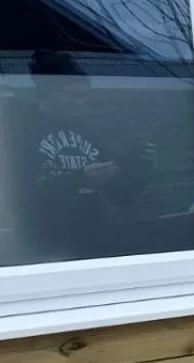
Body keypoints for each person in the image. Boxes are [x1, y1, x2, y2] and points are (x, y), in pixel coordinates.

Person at [11, 49, 158, 262]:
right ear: (48, 92)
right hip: (42, 248)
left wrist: (141, 168)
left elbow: (120, 197)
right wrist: (80, 179)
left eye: (85, 95)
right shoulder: (21, 129)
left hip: (92, 246)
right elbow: (21, 195)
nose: (81, 102)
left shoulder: (91, 131)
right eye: (73, 95)